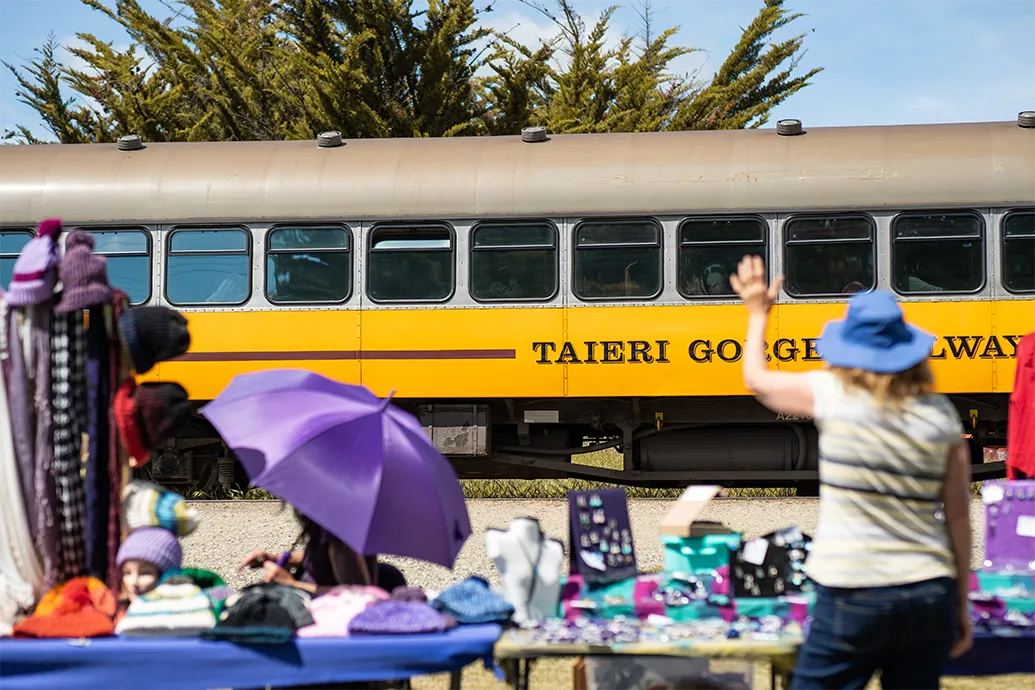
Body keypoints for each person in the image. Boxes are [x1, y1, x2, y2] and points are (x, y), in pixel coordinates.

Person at [728, 255, 973, 690]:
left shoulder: (832, 394)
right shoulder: (941, 415)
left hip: (853, 588)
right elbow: (957, 517)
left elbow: (757, 380)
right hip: (927, 591)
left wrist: (757, 314)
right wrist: (958, 604)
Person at [238, 509, 407, 596]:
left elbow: (359, 594)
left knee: (237, 600)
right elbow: (323, 557)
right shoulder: (329, 517)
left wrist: (291, 584)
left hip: (328, 611)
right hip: (315, 597)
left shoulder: (339, 529)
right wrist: (279, 558)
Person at [115, 527, 183, 622]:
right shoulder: (114, 616)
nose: (134, 582)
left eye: (145, 573)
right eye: (127, 573)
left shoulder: (184, 618)